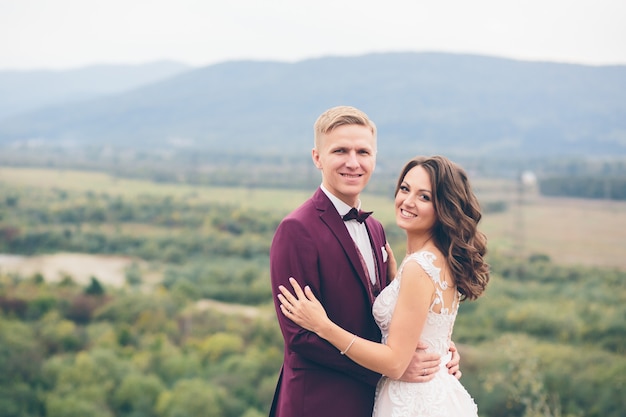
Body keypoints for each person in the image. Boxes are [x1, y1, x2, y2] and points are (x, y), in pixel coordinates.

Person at [269, 107, 462, 417]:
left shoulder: (375, 229)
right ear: (317, 158)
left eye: (363, 151)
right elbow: (301, 338)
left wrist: (436, 348)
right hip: (318, 404)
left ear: (374, 158)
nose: (353, 162)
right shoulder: (297, 229)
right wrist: (391, 369)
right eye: (340, 151)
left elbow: (395, 314)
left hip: (374, 403)